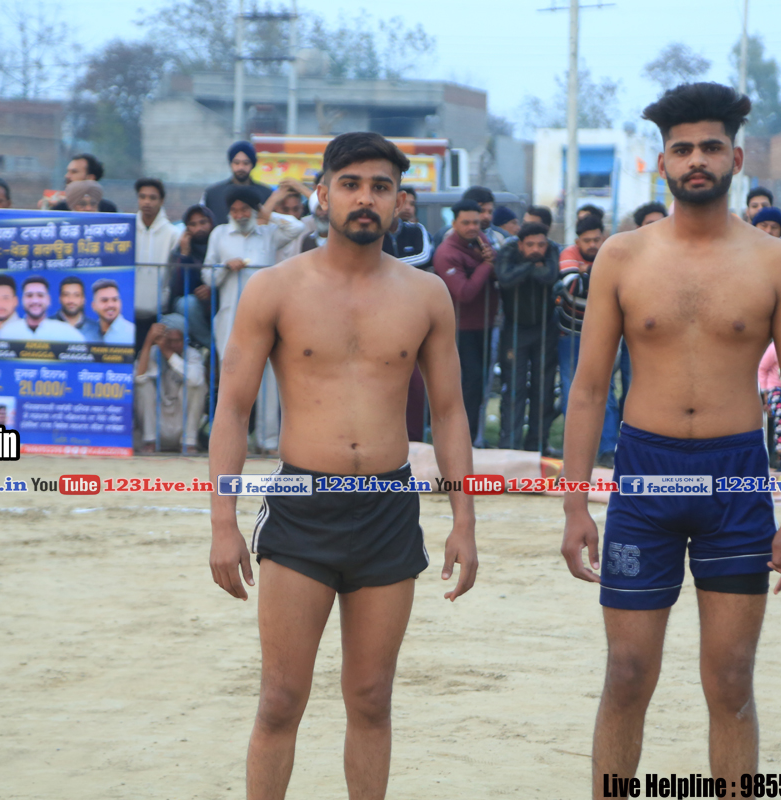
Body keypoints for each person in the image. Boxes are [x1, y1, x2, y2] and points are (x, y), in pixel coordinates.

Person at [561, 83, 781, 794]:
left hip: (736, 479)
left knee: (731, 679)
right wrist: (575, 504)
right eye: (682, 149)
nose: (696, 159)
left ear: (736, 157)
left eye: (709, 146)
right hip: (645, 476)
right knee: (626, 673)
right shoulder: (622, 257)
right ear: (662, 162)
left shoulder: (777, 263)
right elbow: (587, 389)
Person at [206, 131, 478, 799]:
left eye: (380, 187)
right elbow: (232, 409)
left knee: (372, 698)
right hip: (303, 507)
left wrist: (464, 521)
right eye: (351, 184)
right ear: (323, 194)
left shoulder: (426, 295)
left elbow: (449, 413)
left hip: (388, 508)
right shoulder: (274, 289)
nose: (365, 198)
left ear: (398, 201)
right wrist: (222, 521)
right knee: (280, 699)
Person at [203, 184, 305, 453]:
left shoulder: (268, 232)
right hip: (230, 317)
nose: (239, 215)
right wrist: (225, 267)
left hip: (265, 318)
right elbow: (207, 277)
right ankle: (229, 442)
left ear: (253, 210)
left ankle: (267, 442)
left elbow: (296, 228)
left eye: (244, 209)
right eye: (234, 210)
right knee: (232, 379)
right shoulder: (220, 234)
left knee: (269, 381)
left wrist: (267, 213)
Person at [555, 213, 621, 467]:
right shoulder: (568, 253)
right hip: (571, 332)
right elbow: (573, 287)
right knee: (572, 391)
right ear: (577, 241)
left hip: (604, 333)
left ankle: (607, 450)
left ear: (603, 238)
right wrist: (595, 274)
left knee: (607, 391)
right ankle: (575, 452)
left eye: (596, 239)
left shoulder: (610, 253)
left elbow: (619, 286)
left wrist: (586, 273)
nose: (593, 245)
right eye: (587, 240)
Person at [433, 198, 498, 442]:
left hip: (484, 325)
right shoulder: (447, 252)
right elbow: (464, 292)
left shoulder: (481, 243)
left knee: (478, 385)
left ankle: (471, 438)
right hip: (459, 329)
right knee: (466, 385)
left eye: (476, 223)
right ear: (454, 223)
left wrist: (491, 260)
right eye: (466, 223)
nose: (473, 227)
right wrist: (487, 264)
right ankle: (461, 439)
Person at [494, 222, 559, 452]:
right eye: (530, 245)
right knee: (514, 388)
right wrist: (532, 266)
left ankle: (537, 445)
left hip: (545, 328)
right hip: (515, 328)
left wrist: (523, 269)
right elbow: (505, 278)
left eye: (541, 244)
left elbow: (550, 276)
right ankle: (509, 445)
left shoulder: (552, 249)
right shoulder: (508, 251)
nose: (536, 249)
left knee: (544, 389)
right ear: (520, 244)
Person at [134, 314, 207, 452]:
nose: (173, 345)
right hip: (156, 425)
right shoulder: (153, 352)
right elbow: (139, 378)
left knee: (197, 385)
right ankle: (150, 441)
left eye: (177, 341)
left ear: (185, 340)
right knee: (143, 384)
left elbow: (195, 380)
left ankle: (189, 443)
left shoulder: (192, 354)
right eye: (169, 341)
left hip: (181, 427)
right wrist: (148, 342)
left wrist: (167, 353)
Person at [133, 177, 181, 349]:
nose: (147, 202)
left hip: (159, 312)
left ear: (161, 201)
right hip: (128, 311)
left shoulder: (173, 234)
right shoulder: (127, 229)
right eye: (142, 197)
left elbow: (174, 274)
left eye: (152, 198)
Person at [170, 205, 217, 349]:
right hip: (196, 306)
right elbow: (180, 289)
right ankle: (212, 348)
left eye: (203, 222)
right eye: (193, 224)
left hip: (220, 300)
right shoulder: (183, 249)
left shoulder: (221, 242)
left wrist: (212, 290)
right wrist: (185, 254)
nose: (199, 228)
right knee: (187, 303)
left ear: (211, 223)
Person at [202, 141, 274, 226]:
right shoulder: (213, 194)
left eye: (246, 163)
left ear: (253, 165)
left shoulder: (266, 193)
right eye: (236, 163)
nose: (241, 167)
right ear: (230, 164)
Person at [0, 277, 85, 342]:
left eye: (40, 295)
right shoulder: (8, 331)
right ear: (22, 300)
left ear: (48, 300)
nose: (35, 301)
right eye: (29, 295)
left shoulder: (66, 331)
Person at [432, 186, 503, 248]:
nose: (486, 216)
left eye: (490, 212)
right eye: (481, 211)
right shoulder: (447, 236)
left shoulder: (498, 238)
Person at [48, 154, 118, 212]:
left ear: (90, 178)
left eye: (74, 172)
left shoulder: (107, 210)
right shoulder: (60, 209)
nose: (67, 176)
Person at [54, 277, 102, 341]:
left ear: (83, 300)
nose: (71, 300)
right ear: (60, 299)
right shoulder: (47, 326)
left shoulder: (96, 330)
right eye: (66, 295)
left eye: (76, 295)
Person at [91, 279, 135, 345]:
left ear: (120, 303)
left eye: (114, 300)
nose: (110, 305)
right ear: (94, 306)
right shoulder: (87, 333)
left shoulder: (132, 333)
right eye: (104, 300)